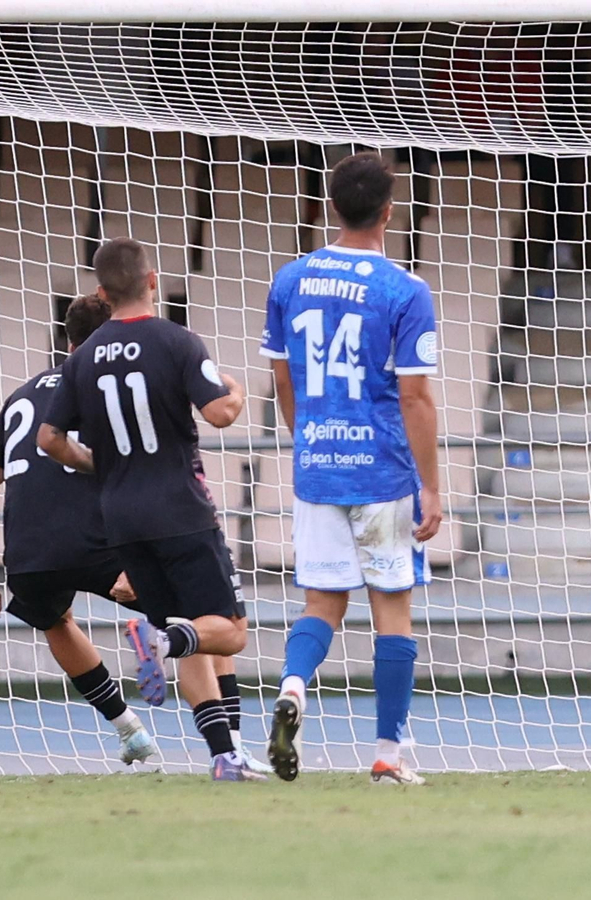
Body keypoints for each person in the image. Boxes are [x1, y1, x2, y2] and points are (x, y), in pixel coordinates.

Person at [38, 238, 262, 781]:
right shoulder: (177, 340)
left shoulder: (83, 356)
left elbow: (49, 437)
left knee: (192, 633)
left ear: (101, 292)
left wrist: (101, 465)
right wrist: (235, 389)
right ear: (153, 280)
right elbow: (220, 414)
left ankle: (224, 756)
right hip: (180, 508)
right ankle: (158, 640)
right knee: (228, 633)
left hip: (121, 516)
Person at [258, 152, 443, 785]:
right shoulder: (405, 290)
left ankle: (290, 687)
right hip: (383, 470)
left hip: (318, 467)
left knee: (321, 604)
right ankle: (388, 753)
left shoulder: (290, 279)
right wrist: (432, 486)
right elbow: (415, 396)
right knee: (392, 607)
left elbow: (282, 377)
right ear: (390, 212)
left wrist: (308, 439)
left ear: (330, 206)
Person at [0, 294, 160, 765]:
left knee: (56, 619)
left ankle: (129, 731)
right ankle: (164, 639)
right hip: (99, 541)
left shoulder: (22, 393)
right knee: (197, 607)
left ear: (68, 338)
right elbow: (140, 475)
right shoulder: (110, 387)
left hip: (29, 552)